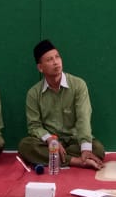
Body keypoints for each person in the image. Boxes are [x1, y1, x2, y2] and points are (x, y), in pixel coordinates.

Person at [18, 39, 105, 170]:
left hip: (74, 141)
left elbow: (83, 118)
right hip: (51, 143)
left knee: (97, 149)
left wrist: (85, 149)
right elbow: (34, 126)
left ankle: (62, 158)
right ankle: (76, 161)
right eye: (49, 60)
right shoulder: (33, 93)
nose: (56, 62)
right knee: (25, 146)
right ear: (40, 68)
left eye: (57, 57)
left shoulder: (78, 85)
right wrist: (50, 140)